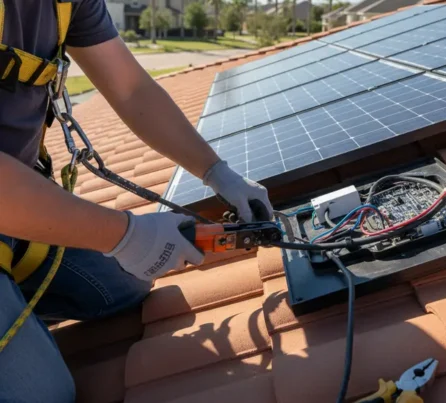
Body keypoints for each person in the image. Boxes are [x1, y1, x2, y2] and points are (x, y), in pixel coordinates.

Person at [0, 1, 273, 401]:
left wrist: (218, 172)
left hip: (16, 218)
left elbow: (131, 87)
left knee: (126, 286)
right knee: (45, 393)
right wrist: (125, 235)